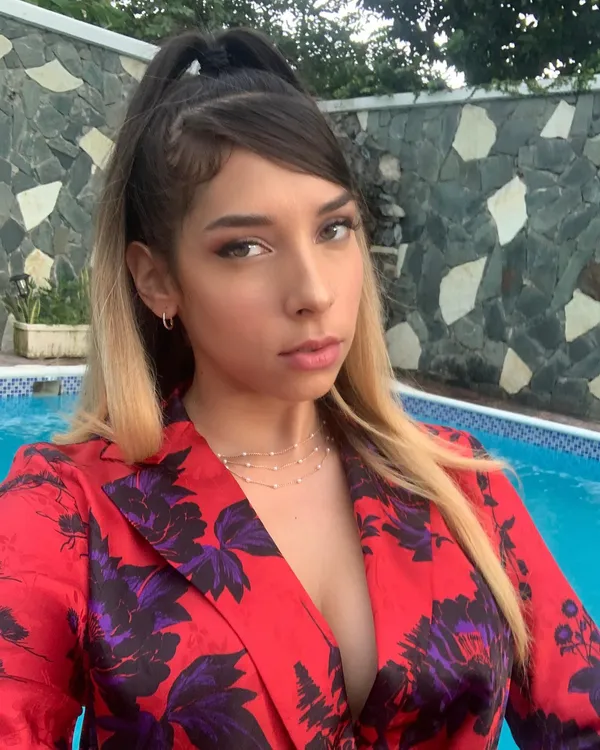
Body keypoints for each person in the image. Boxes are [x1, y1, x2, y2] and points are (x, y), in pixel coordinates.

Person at [0, 27, 598, 750]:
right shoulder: (67, 512)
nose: (313, 291)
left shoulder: (460, 483)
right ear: (157, 279)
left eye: (333, 229)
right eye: (244, 247)